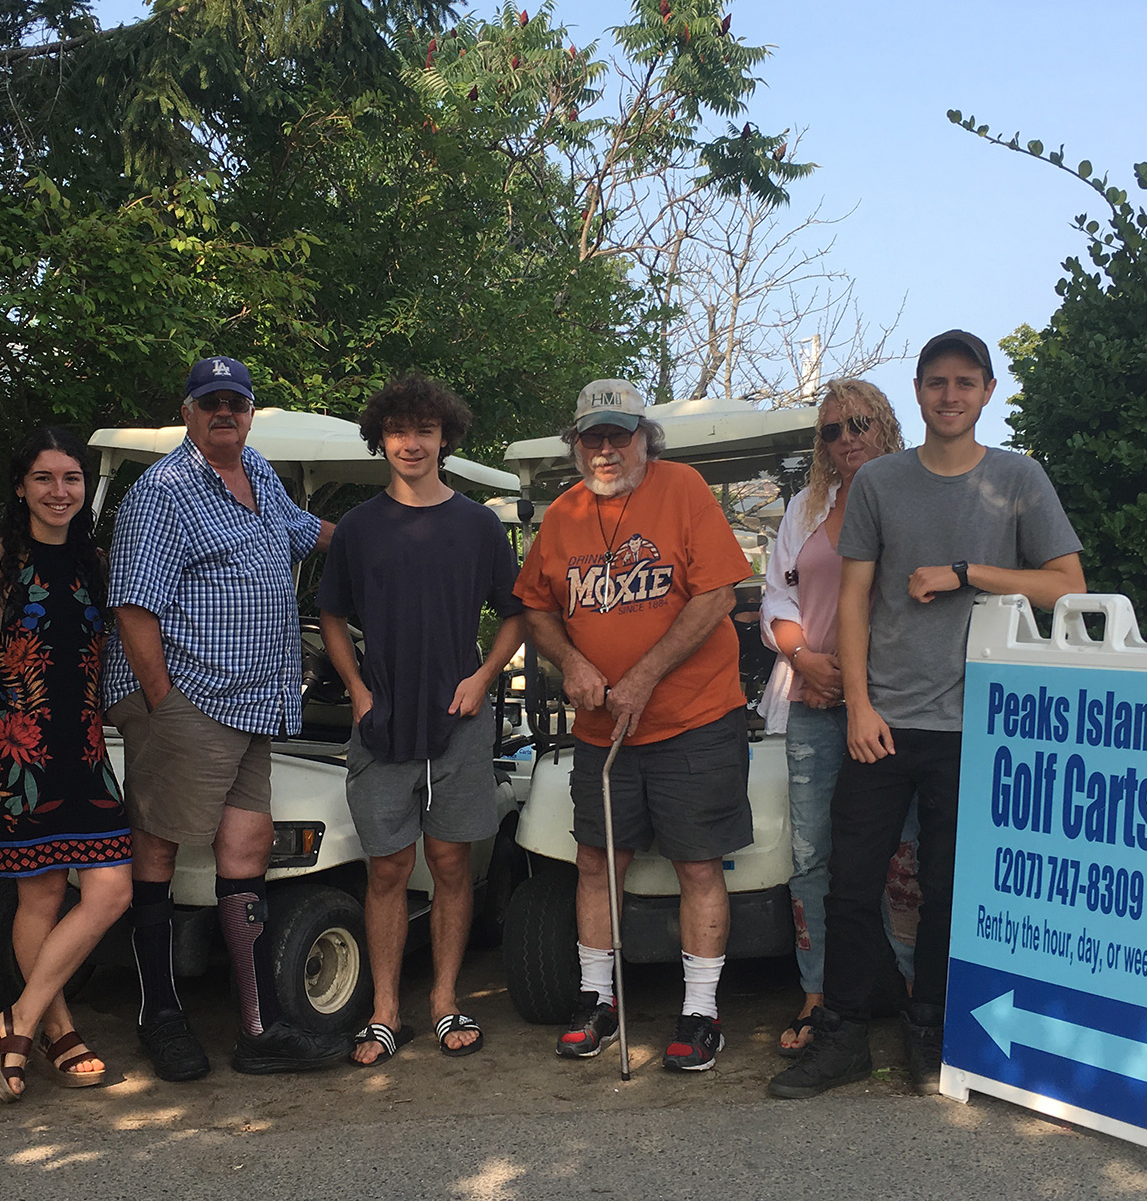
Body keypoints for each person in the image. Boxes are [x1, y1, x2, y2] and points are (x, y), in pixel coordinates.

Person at [770, 330, 1086, 1100]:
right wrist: (859, 707)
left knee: (948, 886)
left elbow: (1068, 586)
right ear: (916, 392)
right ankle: (840, 1034)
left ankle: (930, 1029)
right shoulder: (881, 481)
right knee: (850, 883)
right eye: (937, 382)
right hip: (885, 721)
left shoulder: (1019, 479)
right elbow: (852, 599)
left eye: (965, 383)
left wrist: (968, 573)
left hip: (979, 724)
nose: (950, 395)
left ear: (986, 391)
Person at [102, 356, 344, 1080]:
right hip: (190, 699)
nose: (224, 413)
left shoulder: (259, 472)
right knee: (160, 850)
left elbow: (307, 531)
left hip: (254, 700)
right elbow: (134, 609)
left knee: (246, 850)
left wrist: (390, 532)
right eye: (210, 402)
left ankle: (259, 1028)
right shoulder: (162, 493)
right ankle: (161, 1018)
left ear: (248, 410)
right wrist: (163, 705)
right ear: (188, 411)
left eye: (235, 401)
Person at [514, 379, 756, 1073]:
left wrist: (645, 675)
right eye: (593, 437)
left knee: (699, 864)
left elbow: (716, 594)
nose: (607, 449)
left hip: (695, 720)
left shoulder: (682, 489)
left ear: (644, 437)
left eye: (620, 435)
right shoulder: (560, 515)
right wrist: (572, 664)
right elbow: (537, 610)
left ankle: (700, 1012)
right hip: (601, 729)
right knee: (596, 863)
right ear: (577, 444)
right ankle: (598, 1000)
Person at [317, 375, 526, 1066]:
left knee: (450, 862)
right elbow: (332, 615)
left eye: (425, 430)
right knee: (387, 869)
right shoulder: (359, 527)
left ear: (445, 438)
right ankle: (383, 1011)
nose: (412, 442)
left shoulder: (478, 524)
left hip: (458, 717)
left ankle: (442, 1001)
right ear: (381, 439)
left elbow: (517, 614)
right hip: (382, 722)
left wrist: (483, 677)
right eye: (399, 430)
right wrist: (356, 688)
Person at [0, 429, 134, 1102]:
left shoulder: (99, 561)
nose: (59, 491)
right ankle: (57, 1030)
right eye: (44, 478)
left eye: (70, 478)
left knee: (109, 891)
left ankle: (17, 1020)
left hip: (86, 750)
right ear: (20, 486)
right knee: (39, 894)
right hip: (19, 754)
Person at [759, 378, 916, 1055]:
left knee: (902, 857)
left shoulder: (914, 499)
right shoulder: (805, 508)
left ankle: (915, 998)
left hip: (893, 704)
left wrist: (855, 681)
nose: (847, 438)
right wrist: (807, 660)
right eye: (832, 430)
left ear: (883, 424)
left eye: (859, 423)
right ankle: (818, 994)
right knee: (812, 857)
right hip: (814, 702)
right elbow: (776, 601)